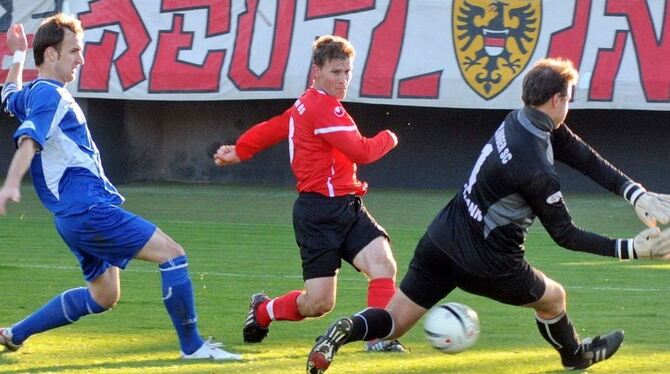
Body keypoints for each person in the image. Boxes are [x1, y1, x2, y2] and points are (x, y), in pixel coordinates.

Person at [305, 57, 670, 373]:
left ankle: (346, 330)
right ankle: (574, 356)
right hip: (489, 261)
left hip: (444, 236)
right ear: (556, 99)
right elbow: (565, 234)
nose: (568, 107)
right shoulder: (536, 168)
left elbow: (578, 153)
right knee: (554, 298)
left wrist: (633, 192)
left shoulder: (519, 120)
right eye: (569, 99)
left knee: (392, 323)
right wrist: (631, 249)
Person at [0, 14, 241, 360]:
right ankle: (193, 347)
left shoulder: (32, 95)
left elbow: (8, 95)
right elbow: (28, 141)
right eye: (74, 52)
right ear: (51, 54)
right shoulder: (51, 96)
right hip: (88, 209)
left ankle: (14, 334)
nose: (80, 60)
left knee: (104, 296)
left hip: (72, 216)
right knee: (173, 255)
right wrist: (10, 184)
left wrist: (19, 54)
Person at [213, 35, 406, 352]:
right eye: (335, 72)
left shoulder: (308, 103)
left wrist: (241, 150)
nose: (343, 80)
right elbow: (362, 151)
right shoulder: (322, 108)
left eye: (347, 72)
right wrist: (390, 137)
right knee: (318, 303)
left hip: (347, 206)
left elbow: (277, 126)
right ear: (316, 71)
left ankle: (379, 340)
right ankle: (263, 310)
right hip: (318, 214)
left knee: (383, 265)